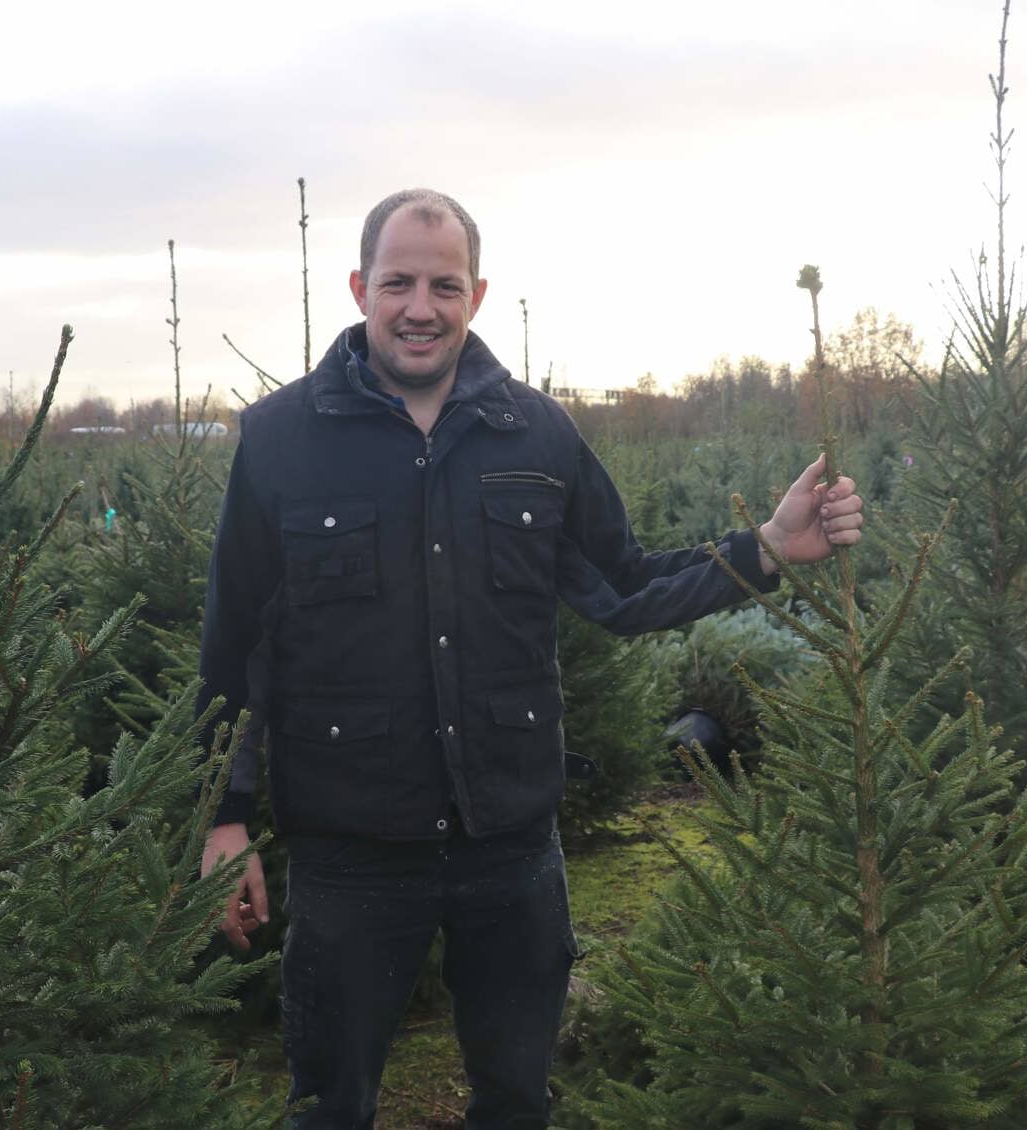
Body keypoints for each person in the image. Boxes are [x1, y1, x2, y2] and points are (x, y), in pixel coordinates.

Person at [197, 188, 864, 1128]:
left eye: (443, 284)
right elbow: (234, 647)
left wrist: (763, 550)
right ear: (359, 288)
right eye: (398, 282)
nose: (420, 306)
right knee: (330, 1103)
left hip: (508, 845)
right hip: (348, 851)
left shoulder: (539, 435)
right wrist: (224, 821)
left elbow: (622, 585)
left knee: (516, 1098)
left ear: (475, 294)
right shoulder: (280, 440)